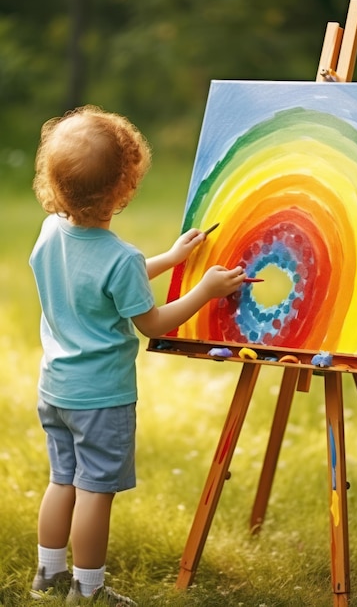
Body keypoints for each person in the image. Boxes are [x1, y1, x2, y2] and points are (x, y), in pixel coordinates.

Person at [29, 105, 246, 605]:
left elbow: (99, 285)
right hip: (101, 398)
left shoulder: (49, 233)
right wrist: (205, 291)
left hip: (56, 389)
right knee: (94, 493)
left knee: (62, 481)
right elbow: (150, 322)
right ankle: (87, 588)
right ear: (123, 189)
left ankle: (48, 574)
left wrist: (169, 259)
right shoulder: (119, 258)